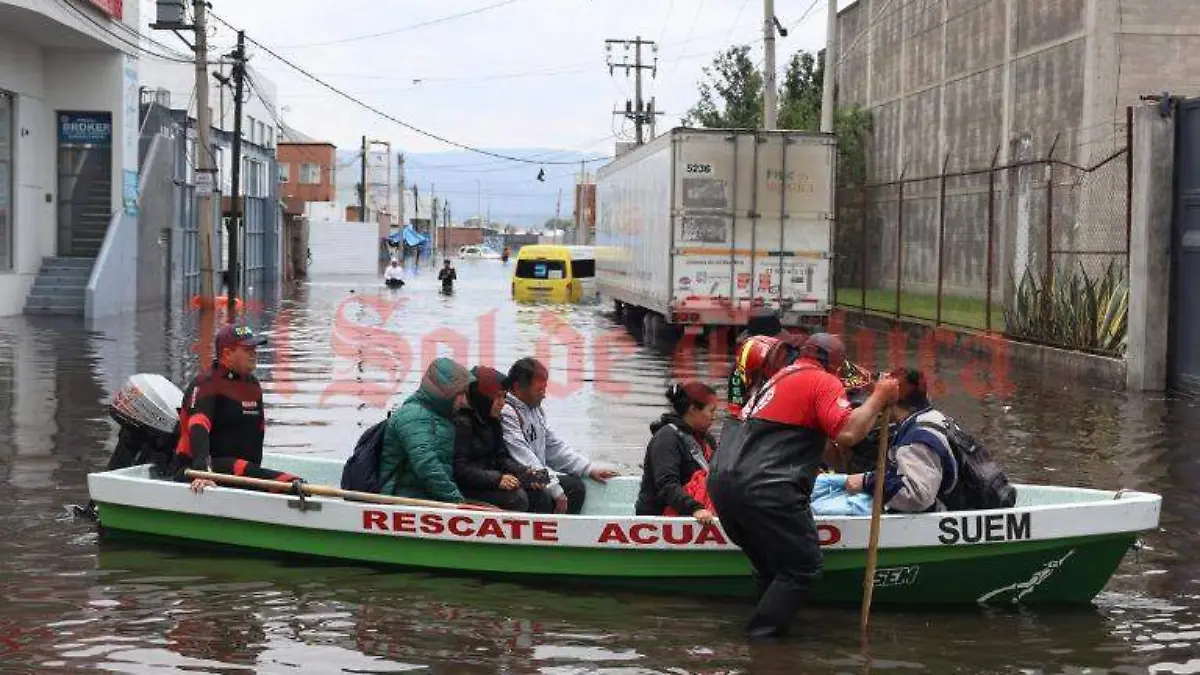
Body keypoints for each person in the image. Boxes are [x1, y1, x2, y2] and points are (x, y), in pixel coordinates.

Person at [707, 333, 900, 639]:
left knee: (771, 570)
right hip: (767, 487)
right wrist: (879, 396)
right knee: (801, 568)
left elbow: (804, 436)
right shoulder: (821, 381)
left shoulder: (776, 380)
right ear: (835, 365)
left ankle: (759, 648)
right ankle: (761, 643)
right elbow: (848, 432)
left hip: (723, 485)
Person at [844, 368, 1015, 513]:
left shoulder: (916, 441)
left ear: (890, 399)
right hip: (967, 497)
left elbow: (917, 497)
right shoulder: (933, 416)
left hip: (949, 514)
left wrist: (868, 482)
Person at [172, 324, 304, 492]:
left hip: (238, 472)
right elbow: (198, 427)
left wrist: (255, 477)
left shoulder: (253, 385)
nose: (254, 354)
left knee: (244, 468)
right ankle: (293, 484)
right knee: (254, 472)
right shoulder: (206, 384)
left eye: (255, 348)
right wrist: (202, 472)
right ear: (227, 353)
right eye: (248, 349)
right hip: (195, 470)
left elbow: (256, 434)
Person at [500, 357, 619, 514]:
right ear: (518, 387)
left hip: (537, 477)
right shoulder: (507, 412)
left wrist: (588, 469)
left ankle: (565, 532)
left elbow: (553, 447)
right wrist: (555, 489)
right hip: (516, 477)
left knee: (575, 487)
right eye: (539, 390)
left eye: (545, 389)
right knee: (543, 496)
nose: (544, 395)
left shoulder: (535, 410)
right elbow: (524, 456)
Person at [378, 358, 473, 502]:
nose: (464, 401)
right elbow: (427, 465)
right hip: (402, 499)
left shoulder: (441, 417)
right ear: (444, 392)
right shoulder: (414, 416)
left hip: (428, 497)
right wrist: (457, 501)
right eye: (460, 394)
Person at [453, 366, 546, 511]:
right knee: (517, 499)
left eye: (504, 396)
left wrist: (524, 472)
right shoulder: (462, 423)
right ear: (482, 397)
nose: (502, 403)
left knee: (539, 494)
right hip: (467, 486)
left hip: (490, 478)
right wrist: (497, 479)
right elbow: (459, 468)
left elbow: (501, 457)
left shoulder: (492, 420)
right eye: (497, 397)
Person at [635, 381, 719, 524]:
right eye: (711, 411)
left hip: (696, 509)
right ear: (693, 409)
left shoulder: (706, 439)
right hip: (661, 518)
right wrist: (695, 509)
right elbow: (667, 485)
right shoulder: (666, 439)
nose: (715, 416)